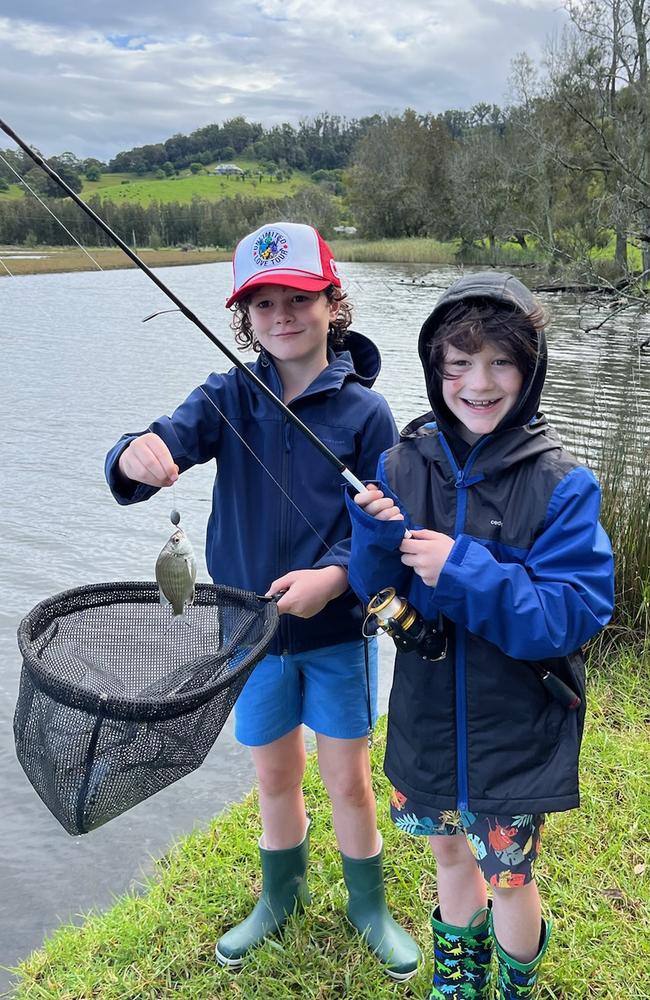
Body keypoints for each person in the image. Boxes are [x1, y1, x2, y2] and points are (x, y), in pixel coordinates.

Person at [104, 222, 421, 979]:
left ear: (332, 304)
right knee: (274, 775)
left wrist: (335, 578)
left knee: (346, 777)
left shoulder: (367, 415)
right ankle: (280, 897)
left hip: (339, 632)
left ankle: (367, 903)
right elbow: (161, 443)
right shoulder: (227, 397)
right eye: (264, 302)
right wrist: (131, 456)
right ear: (243, 317)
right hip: (249, 635)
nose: (284, 315)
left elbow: (380, 528)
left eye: (301, 298)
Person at [345, 272, 614, 999]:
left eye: (499, 362)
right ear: (437, 372)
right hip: (427, 723)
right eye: (457, 365)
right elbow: (380, 590)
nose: (478, 383)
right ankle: (459, 978)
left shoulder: (563, 481)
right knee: (448, 858)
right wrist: (372, 535)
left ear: (528, 369)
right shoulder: (400, 464)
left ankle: (516, 982)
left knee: (509, 876)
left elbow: (572, 613)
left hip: (515, 731)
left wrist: (461, 568)